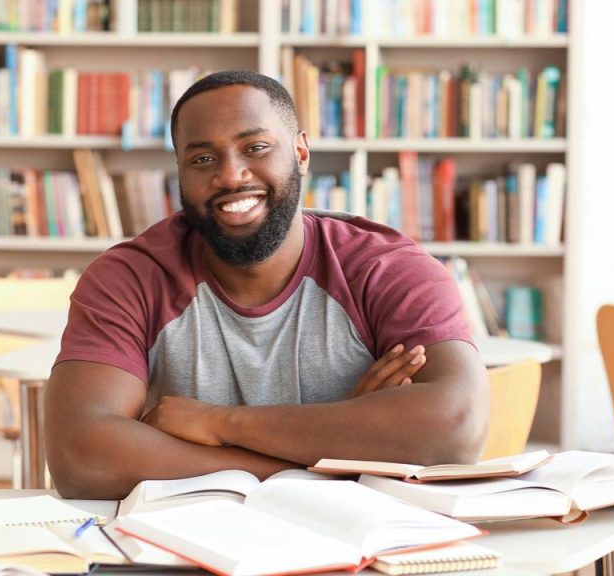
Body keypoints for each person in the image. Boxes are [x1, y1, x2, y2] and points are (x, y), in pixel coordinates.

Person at [46, 70, 488, 499]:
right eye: (202, 158)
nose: (231, 175)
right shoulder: (130, 277)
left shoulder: (385, 268)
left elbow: (456, 427)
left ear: (300, 153)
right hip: (187, 544)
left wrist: (220, 424)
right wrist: (341, 456)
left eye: (255, 147)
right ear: (180, 172)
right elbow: (80, 458)